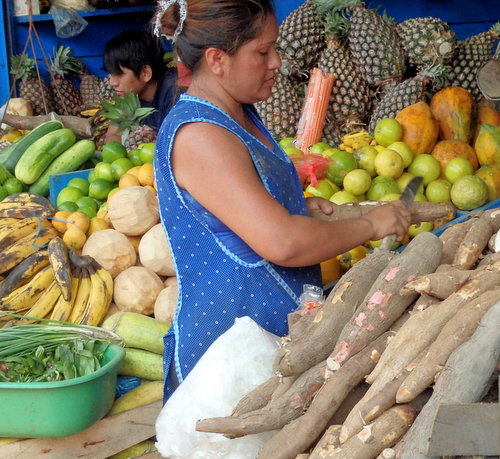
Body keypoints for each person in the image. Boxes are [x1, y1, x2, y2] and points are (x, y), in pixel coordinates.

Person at [152, 0, 412, 401]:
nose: (277, 62)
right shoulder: (200, 134)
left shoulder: (237, 113)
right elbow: (284, 244)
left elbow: (228, 213)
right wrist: (371, 225)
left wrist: (288, 206)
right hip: (228, 358)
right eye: (262, 52)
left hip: (268, 340)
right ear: (217, 59)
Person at [102, 29, 179, 143]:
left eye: (119, 74)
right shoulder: (128, 94)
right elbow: (113, 136)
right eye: (111, 74)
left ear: (145, 73)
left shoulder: (175, 90)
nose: (112, 82)